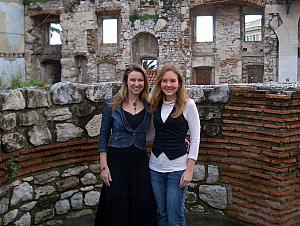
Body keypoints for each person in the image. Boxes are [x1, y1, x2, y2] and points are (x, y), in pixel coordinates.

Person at [94, 64, 158, 226]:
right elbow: (103, 136)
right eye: (133, 80)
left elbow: (160, 128)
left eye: (140, 80)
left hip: (140, 164)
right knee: (116, 208)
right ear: (126, 82)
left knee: (141, 207)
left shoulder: (150, 106)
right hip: (116, 164)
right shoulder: (111, 104)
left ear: (145, 83)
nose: (137, 83)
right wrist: (104, 167)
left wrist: (179, 139)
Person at [148, 63, 201, 226]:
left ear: (179, 83)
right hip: (155, 168)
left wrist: (189, 170)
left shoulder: (188, 105)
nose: (168, 85)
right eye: (164, 81)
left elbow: (196, 137)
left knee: (175, 217)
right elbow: (151, 134)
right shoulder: (154, 104)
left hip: (177, 170)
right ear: (159, 83)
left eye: (172, 81)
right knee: (161, 214)